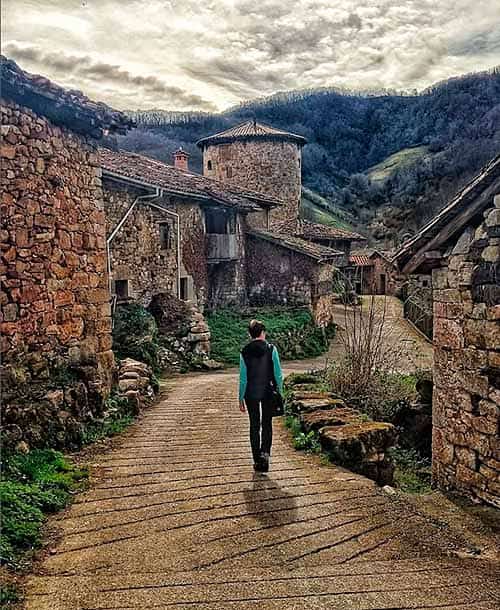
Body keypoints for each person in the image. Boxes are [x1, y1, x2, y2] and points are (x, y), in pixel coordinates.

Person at [239, 319, 283, 472]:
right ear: (263, 333)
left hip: (250, 393)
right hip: (268, 391)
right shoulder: (271, 349)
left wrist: (240, 398)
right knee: (267, 424)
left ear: (250, 334)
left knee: (254, 425)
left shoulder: (244, 351)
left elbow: (243, 378)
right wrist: (281, 392)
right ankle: (265, 454)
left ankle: (257, 459)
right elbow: (278, 374)